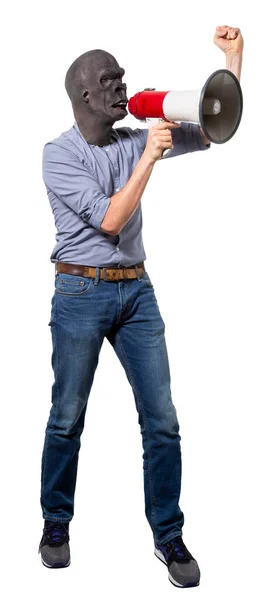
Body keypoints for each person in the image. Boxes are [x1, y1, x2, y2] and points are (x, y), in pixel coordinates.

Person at [38, 25, 243, 587]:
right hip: (79, 294)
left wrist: (232, 59)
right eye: (109, 81)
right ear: (83, 95)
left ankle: (168, 534)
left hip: (137, 294)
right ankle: (56, 523)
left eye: (122, 78)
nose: (120, 87)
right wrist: (149, 158)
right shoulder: (58, 155)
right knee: (67, 416)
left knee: (163, 420)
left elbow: (215, 124)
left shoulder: (134, 137)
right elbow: (109, 219)